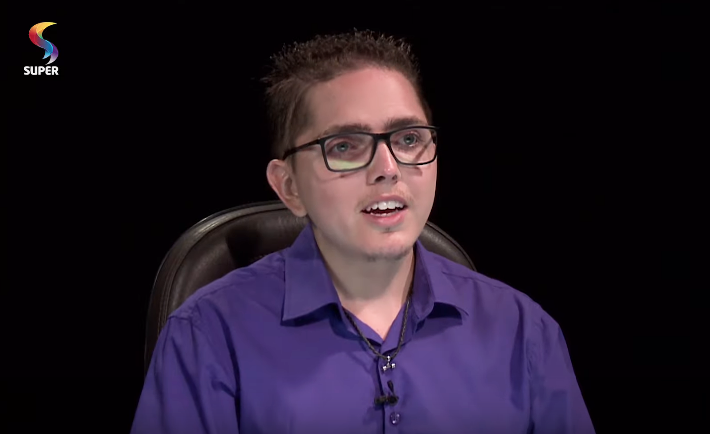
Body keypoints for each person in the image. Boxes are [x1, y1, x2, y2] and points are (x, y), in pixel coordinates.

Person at [130, 30, 595, 434]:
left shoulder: (523, 332)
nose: (388, 168)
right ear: (289, 187)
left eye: (408, 139)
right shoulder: (208, 336)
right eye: (345, 147)